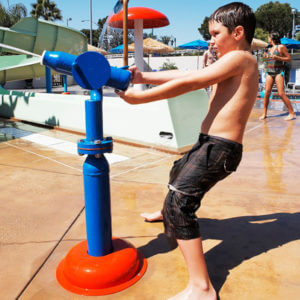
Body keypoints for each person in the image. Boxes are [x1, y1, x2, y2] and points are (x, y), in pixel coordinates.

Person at [116, 2, 258, 300]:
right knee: (177, 171)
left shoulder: (242, 59)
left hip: (221, 149)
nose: (211, 40)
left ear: (238, 33)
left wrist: (140, 99)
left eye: (216, 33)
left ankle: (202, 288)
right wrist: (142, 78)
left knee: (181, 203)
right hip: (210, 143)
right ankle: (167, 213)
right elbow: (181, 76)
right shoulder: (232, 60)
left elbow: (193, 81)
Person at [259, 32, 296, 121]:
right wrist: (266, 56)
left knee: (281, 93)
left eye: (269, 37)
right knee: (267, 93)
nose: (268, 39)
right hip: (269, 72)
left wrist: (278, 58)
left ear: (272, 38)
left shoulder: (281, 47)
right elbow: (269, 59)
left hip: (279, 72)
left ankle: (292, 113)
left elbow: (288, 58)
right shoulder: (269, 49)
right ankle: (264, 113)